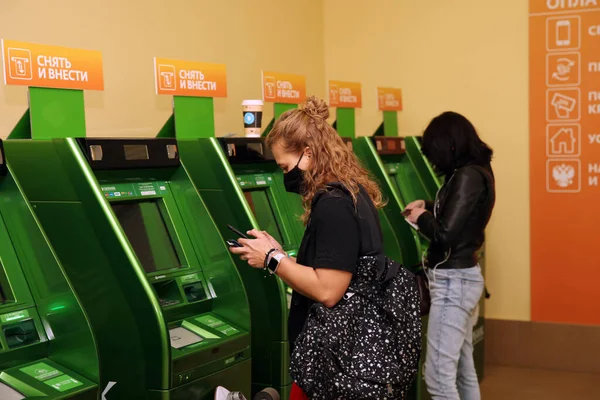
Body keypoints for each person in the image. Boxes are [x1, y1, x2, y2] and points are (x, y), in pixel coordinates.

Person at [229, 96, 385, 399]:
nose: (285, 176)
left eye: (286, 166)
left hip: (336, 360)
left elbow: (328, 290)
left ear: (309, 154)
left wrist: (272, 260)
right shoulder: (350, 191)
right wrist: (281, 254)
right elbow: (335, 262)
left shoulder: (334, 205)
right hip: (351, 351)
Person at [405, 111, 495, 400]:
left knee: (438, 378)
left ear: (449, 144)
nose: (434, 159)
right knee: (462, 370)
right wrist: (429, 205)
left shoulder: (467, 175)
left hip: (453, 283)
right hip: (463, 277)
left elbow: (445, 233)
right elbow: (462, 212)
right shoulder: (477, 170)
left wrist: (420, 218)